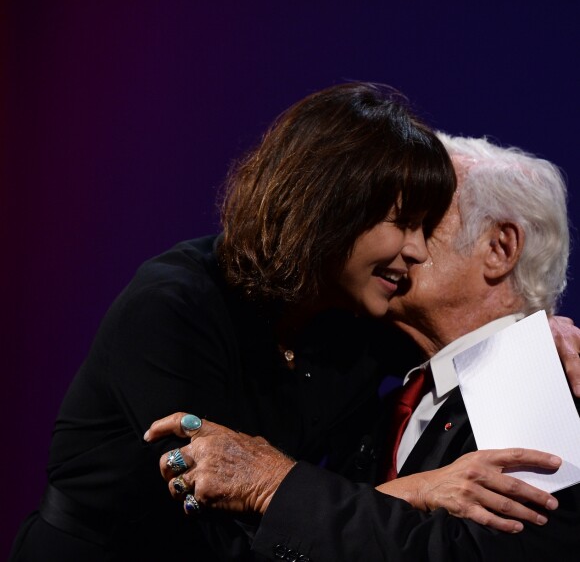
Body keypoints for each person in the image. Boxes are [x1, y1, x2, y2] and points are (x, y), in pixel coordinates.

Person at [10, 82, 579, 561]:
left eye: (429, 224)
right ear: (337, 206)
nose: (414, 251)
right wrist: (418, 491)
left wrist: (534, 332)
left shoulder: (380, 333)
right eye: (407, 220)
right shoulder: (176, 306)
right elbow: (223, 531)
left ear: (501, 249)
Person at [148, 134, 580, 561]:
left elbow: (489, 554)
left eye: (422, 222)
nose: (400, 246)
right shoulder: (379, 382)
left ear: (499, 248)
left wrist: (276, 485)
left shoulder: (546, 382)